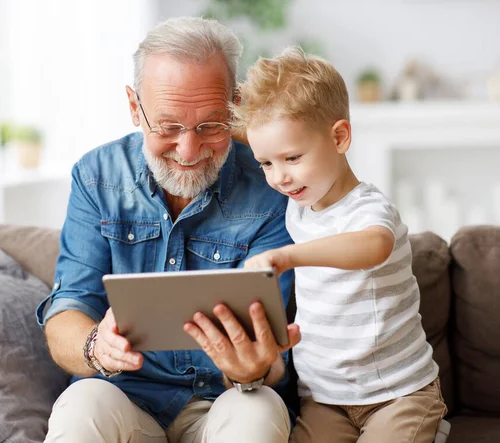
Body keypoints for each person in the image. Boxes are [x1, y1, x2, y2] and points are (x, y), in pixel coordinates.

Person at [35, 17, 301, 443]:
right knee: (81, 403)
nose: (189, 150)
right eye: (169, 126)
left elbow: (271, 349)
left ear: (235, 105)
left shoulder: (274, 189)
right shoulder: (96, 176)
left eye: (211, 125)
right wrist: (94, 346)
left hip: (228, 400)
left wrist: (251, 368)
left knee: (258, 409)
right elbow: (66, 310)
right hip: (124, 398)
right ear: (133, 107)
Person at [235, 47, 448, 443]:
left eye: (292, 158)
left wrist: (288, 256)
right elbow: (258, 130)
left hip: (398, 395)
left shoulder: (368, 208)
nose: (279, 177)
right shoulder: (298, 206)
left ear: (339, 137)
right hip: (324, 400)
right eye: (266, 163)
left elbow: (373, 246)